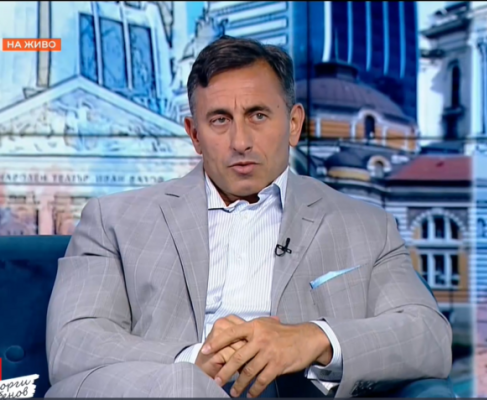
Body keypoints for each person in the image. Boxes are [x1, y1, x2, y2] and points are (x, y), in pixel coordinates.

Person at [45, 36, 452, 398]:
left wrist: (315, 338)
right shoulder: (113, 220)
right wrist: (193, 359)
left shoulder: (367, 226)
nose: (240, 141)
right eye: (220, 120)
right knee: (184, 386)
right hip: (167, 389)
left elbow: (429, 338)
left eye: (258, 115)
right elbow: (74, 343)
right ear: (194, 134)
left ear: (293, 125)